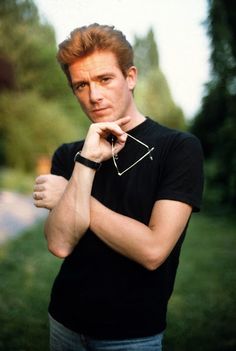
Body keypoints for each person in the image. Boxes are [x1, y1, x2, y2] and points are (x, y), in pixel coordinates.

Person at [33, 23, 204, 351]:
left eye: (104, 79)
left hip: (131, 334)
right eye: (80, 85)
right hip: (64, 322)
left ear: (131, 77)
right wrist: (85, 163)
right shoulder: (69, 155)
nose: (93, 95)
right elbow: (59, 244)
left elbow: (153, 251)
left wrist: (70, 192)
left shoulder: (179, 148)